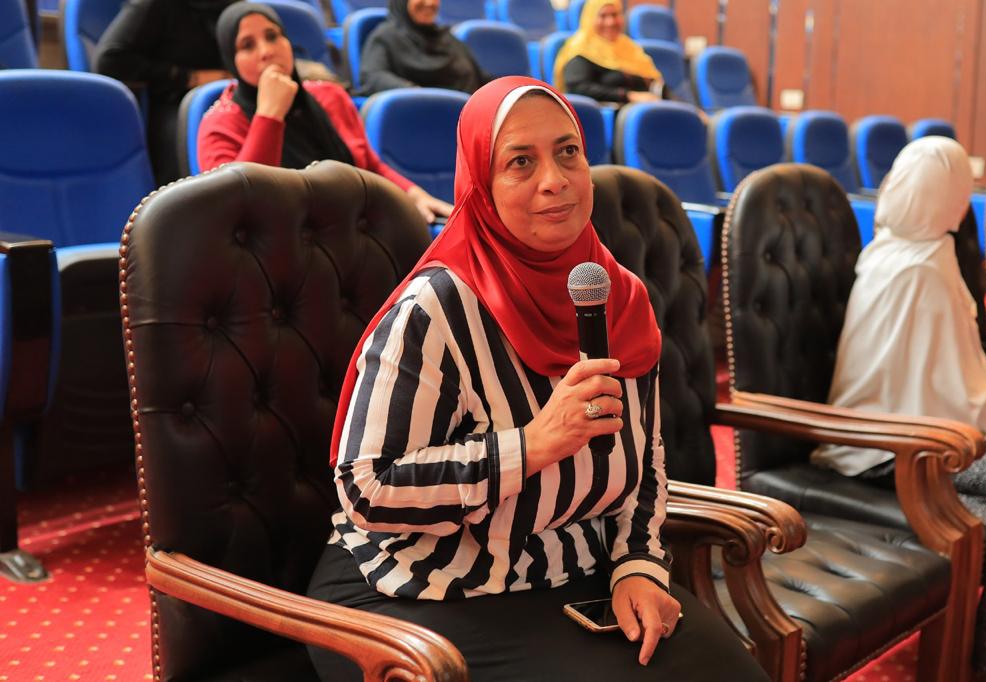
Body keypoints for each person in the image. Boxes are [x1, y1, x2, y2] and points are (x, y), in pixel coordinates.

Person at [304, 75, 768, 681]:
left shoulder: (617, 296)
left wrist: (638, 565)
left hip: (568, 569)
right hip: (421, 585)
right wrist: (531, 445)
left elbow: (646, 462)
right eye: (520, 161)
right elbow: (367, 488)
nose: (555, 180)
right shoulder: (436, 309)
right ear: (482, 183)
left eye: (568, 152)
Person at [811, 136, 986, 682]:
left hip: (922, 427)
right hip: (890, 448)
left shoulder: (906, 248)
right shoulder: (920, 266)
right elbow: (954, 394)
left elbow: (941, 370)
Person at [198, 3, 452, 224]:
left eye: (273, 36)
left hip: (353, 230)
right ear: (231, 60)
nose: (267, 51)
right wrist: (269, 115)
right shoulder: (219, 123)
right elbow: (242, 207)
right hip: (276, 248)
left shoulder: (329, 95)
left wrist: (414, 194)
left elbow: (369, 166)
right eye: (247, 45)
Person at [95, 0, 240, 185]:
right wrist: (190, 77)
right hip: (175, 105)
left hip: (233, 101)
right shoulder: (155, 5)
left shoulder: (234, 5)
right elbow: (110, 61)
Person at [357, 0, 490, 96]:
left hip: (465, 117)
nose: (429, 3)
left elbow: (481, 79)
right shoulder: (385, 37)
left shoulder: (449, 39)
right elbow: (373, 76)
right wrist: (413, 92)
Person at [553, 0, 666, 105]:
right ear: (590, 18)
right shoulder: (580, 47)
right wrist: (627, 96)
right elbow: (577, 88)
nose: (610, 22)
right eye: (603, 16)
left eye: (615, 15)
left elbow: (653, 81)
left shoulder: (629, 47)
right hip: (608, 113)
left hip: (647, 107)